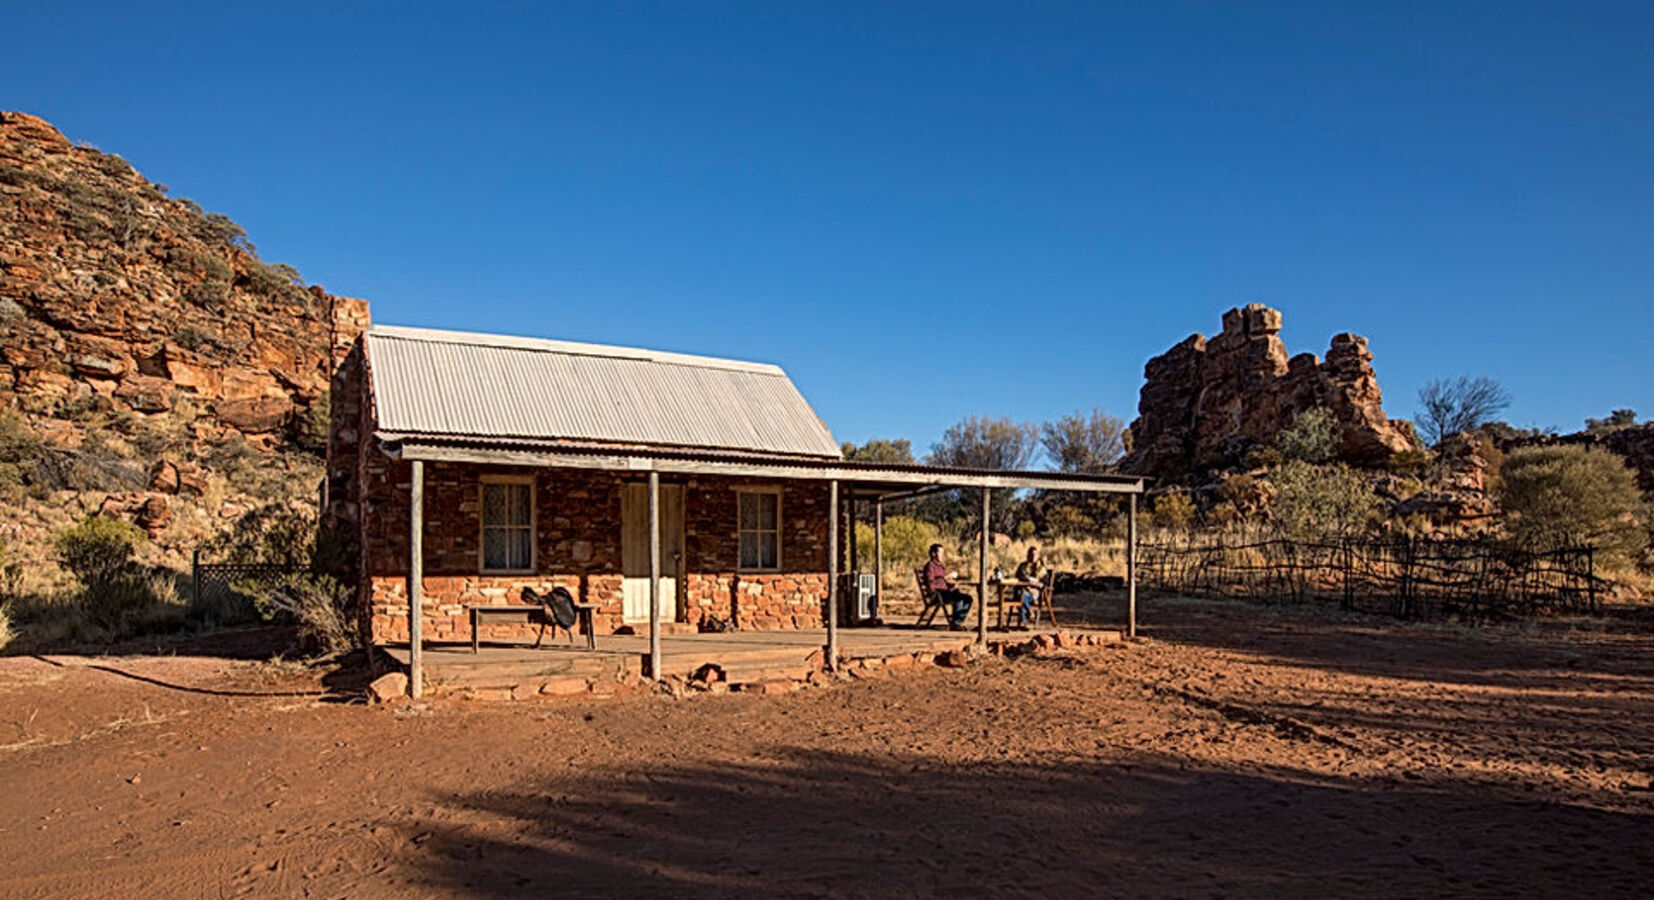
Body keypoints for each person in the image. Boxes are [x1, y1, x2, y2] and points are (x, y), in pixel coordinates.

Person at [923, 544, 973, 630]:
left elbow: (942, 581)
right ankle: (955, 623)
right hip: (937, 594)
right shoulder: (930, 566)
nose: (943, 555)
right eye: (941, 553)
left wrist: (950, 584)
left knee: (968, 598)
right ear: (933, 554)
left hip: (944, 592)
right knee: (958, 598)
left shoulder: (940, 566)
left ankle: (958, 620)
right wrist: (946, 577)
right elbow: (930, 582)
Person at [1014, 546, 1046, 628]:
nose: (1033, 556)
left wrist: (1037, 588)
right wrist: (1028, 587)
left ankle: (1024, 620)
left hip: (1035, 593)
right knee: (1020, 594)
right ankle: (1029, 611)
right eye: (1031, 554)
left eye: (1035, 554)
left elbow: (1044, 582)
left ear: (1038, 555)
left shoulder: (1041, 568)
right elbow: (1020, 577)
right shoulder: (1023, 566)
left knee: (1021, 596)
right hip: (1024, 590)